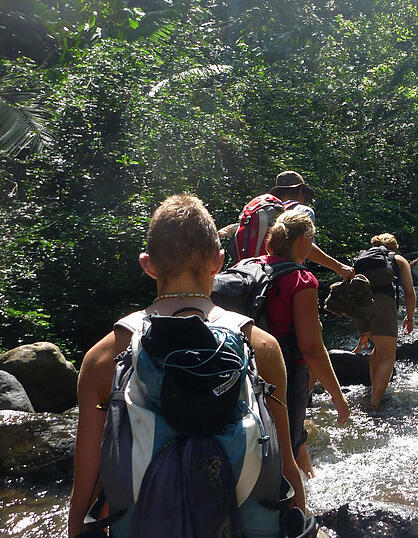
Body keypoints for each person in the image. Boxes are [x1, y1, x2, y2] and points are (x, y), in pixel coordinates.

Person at [69, 195, 307, 537]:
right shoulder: (261, 347)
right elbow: (286, 465)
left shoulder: (103, 356)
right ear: (218, 261)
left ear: (147, 265)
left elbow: (87, 488)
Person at [258, 210, 350, 477]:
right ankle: (301, 511)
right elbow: (311, 347)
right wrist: (337, 396)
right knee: (291, 443)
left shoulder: (249, 267)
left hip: (248, 372)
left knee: (281, 439)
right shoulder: (301, 279)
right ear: (302, 241)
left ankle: (308, 482)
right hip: (286, 374)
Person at [219, 170, 354, 280]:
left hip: (251, 275)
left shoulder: (261, 213)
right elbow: (304, 245)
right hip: (284, 277)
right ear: (301, 191)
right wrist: (339, 268)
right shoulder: (303, 210)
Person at [351, 233, 416, 408]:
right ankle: (374, 404)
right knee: (388, 357)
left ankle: (375, 390)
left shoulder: (362, 259)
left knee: (377, 350)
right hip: (383, 306)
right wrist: (410, 318)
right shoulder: (399, 260)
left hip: (360, 307)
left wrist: (361, 328)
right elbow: (409, 292)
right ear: (394, 247)